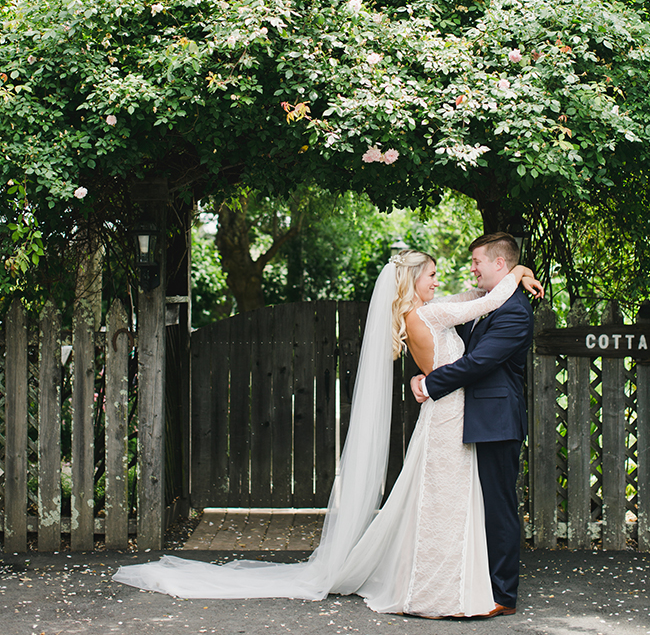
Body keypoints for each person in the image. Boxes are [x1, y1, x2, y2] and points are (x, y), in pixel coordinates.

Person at [113, 248, 541, 619]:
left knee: (439, 505)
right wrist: (518, 274)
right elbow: (485, 301)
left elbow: (469, 300)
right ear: (413, 280)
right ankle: (438, 589)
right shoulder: (429, 313)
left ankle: (444, 586)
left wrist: (427, 378)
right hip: (448, 415)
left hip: (446, 414)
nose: (439, 280)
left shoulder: (419, 313)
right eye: (431, 274)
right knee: (442, 505)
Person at [411, 232, 536, 617]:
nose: (472, 268)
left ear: (500, 264)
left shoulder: (514, 312)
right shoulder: (486, 304)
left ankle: (503, 596)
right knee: (477, 505)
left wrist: (431, 384)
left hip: (497, 421)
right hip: (475, 418)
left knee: (498, 506)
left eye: (478, 261)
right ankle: (475, 583)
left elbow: (479, 362)